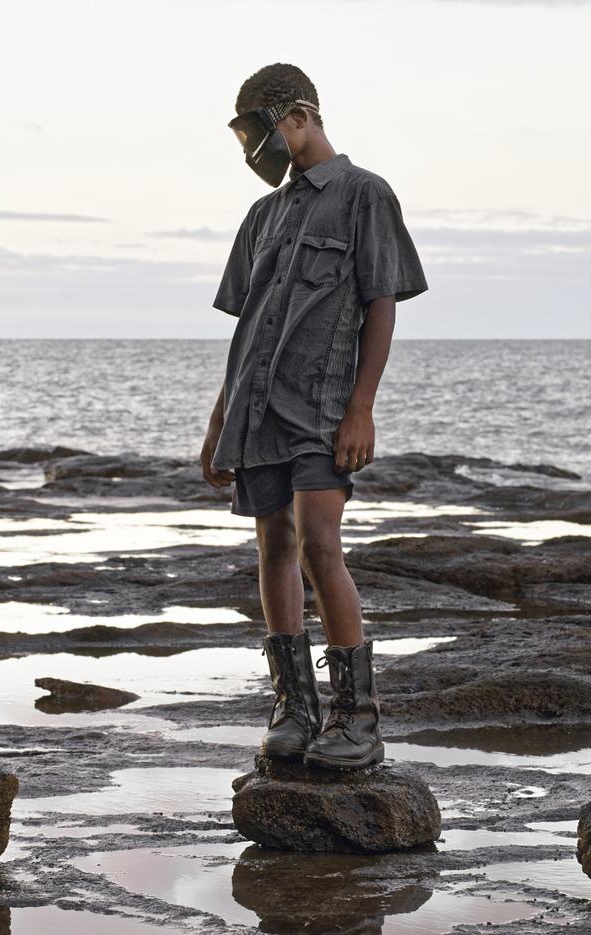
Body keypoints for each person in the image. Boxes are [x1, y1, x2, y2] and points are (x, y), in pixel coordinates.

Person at [200, 63, 428, 769]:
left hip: (323, 408)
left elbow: (381, 302)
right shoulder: (263, 217)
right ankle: (293, 709)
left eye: (259, 131)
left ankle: (356, 717)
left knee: (319, 542)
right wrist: (217, 423)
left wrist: (362, 406)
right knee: (272, 546)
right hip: (256, 409)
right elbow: (247, 327)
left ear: (299, 116)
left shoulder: (364, 195)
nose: (252, 151)